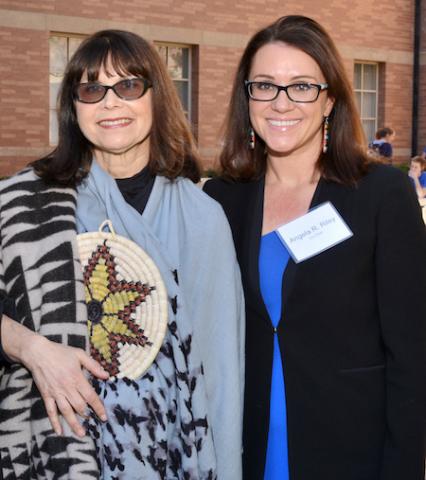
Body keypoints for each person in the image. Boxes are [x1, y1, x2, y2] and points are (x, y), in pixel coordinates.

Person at [0, 30, 244, 479]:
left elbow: (222, 372)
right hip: (54, 453)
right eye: (92, 89)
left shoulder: (203, 219)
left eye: (129, 85)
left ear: (157, 97)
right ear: (74, 107)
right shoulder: (25, 203)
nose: (110, 103)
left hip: (172, 454)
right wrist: (30, 347)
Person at [204, 15, 426, 480]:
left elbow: (412, 355)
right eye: (264, 85)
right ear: (247, 99)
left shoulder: (380, 195)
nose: (281, 103)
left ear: (329, 100)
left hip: (351, 449)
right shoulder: (222, 198)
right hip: (245, 446)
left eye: (301, 85)